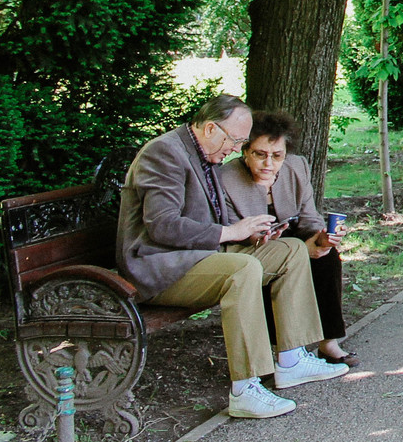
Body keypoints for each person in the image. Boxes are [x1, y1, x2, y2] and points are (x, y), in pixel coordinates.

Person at [116, 95, 346, 420]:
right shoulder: (164, 153)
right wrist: (232, 233)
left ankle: (291, 360)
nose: (234, 148)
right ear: (211, 128)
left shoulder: (201, 152)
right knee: (243, 269)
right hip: (160, 266)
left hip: (199, 255)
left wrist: (252, 234)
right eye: (236, 140)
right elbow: (162, 226)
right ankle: (245, 388)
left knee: (291, 250)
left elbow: (209, 220)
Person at [221, 111, 356, 367]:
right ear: (245, 151)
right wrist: (297, 248)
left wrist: (321, 238)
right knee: (275, 264)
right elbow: (230, 230)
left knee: (328, 259)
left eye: (277, 156)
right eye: (260, 154)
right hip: (250, 243)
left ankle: (329, 342)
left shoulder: (297, 167)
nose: (268, 164)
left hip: (291, 231)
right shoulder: (226, 179)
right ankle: (285, 350)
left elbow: (308, 215)